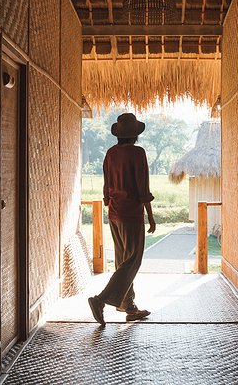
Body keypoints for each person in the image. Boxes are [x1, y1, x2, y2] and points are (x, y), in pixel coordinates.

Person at [88, 113, 156, 325]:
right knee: (132, 260)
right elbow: (143, 187)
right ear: (135, 135)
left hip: (115, 213)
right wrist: (151, 216)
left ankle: (129, 306)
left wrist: (109, 200)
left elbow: (106, 184)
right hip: (131, 213)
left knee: (122, 261)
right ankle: (101, 300)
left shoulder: (110, 153)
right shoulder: (137, 153)